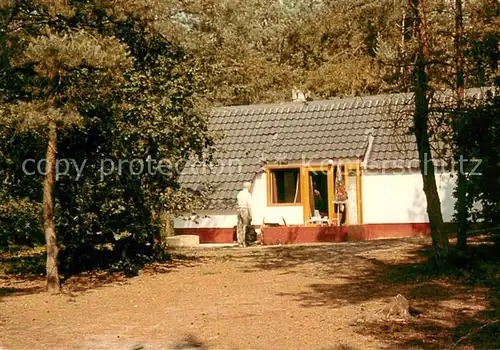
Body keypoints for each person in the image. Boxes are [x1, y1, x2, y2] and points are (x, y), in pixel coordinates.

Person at [236, 182, 252, 247]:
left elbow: (237, 202)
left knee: (239, 226)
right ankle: (244, 242)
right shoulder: (248, 194)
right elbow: (249, 205)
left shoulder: (239, 194)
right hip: (245, 209)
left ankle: (239, 242)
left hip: (238, 209)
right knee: (245, 226)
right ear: (248, 187)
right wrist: (250, 214)